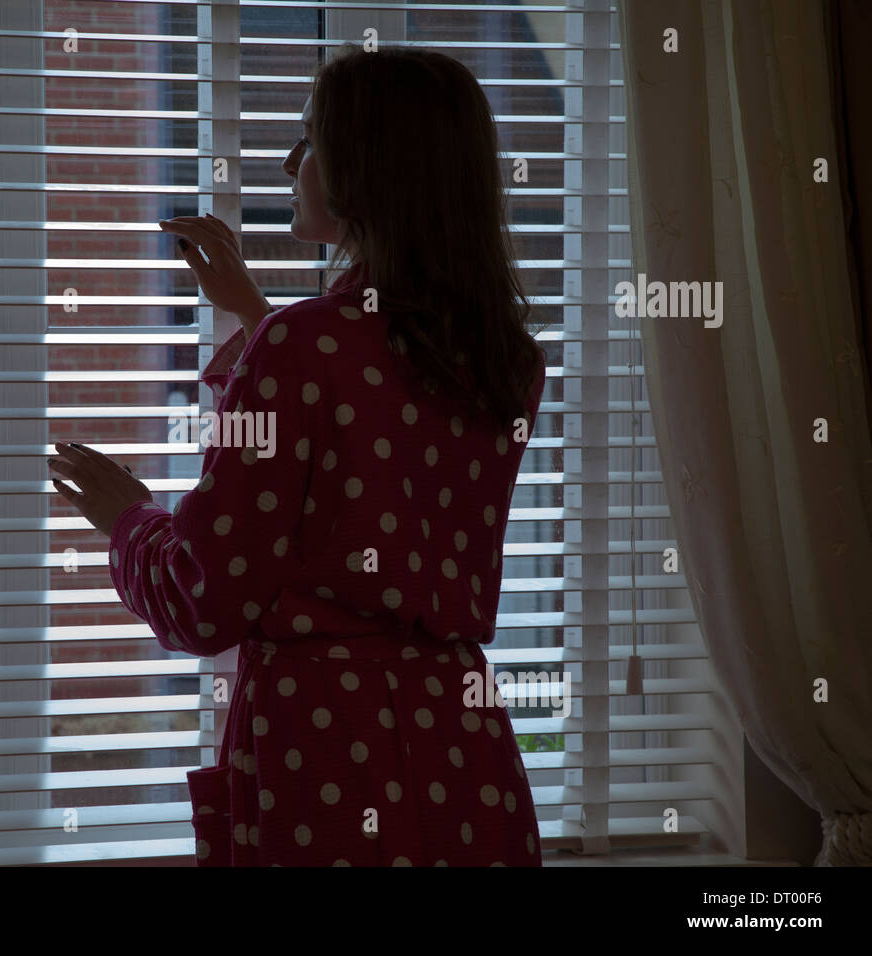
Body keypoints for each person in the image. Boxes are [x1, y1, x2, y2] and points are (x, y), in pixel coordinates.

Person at [49, 46, 547, 866]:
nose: (289, 160)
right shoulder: (504, 359)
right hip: (466, 752)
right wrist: (252, 313)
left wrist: (127, 520)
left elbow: (202, 603)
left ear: (365, 165)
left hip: (325, 753)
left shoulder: (303, 348)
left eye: (309, 136)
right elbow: (371, 428)